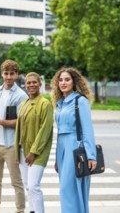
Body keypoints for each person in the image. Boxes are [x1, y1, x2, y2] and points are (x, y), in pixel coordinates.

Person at [51, 67, 97, 213]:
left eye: (67, 79)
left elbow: (87, 130)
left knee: (68, 189)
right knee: (66, 189)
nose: (63, 82)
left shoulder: (80, 101)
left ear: (74, 82)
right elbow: (59, 133)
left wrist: (91, 155)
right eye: (61, 80)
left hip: (75, 147)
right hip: (62, 149)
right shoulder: (60, 103)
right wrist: (58, 159)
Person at [0, 59, 27, 213]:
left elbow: (21, 122)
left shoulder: (21, 95)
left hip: (11, 145)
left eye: (12, 74)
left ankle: (20, 210)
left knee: (16, 182)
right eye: (6, 73)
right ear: (1, 74)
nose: (9, 77)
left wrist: (0, 121)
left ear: (17, 75)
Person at [14, 72, 54, 213]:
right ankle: (32, 210)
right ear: (25, 85)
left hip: (37, 152)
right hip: (22, 150)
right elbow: (19, 129)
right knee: (27, 186)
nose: (31, 85)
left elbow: (45, 130)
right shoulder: (24, 103)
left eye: (34, 82)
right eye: (28, 83)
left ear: (40, 84)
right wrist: (16, 153)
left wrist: (33, 152)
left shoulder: (45, 104)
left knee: (33, 186)